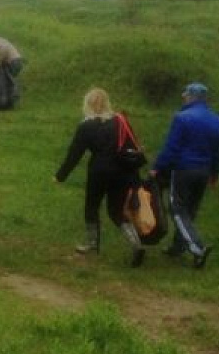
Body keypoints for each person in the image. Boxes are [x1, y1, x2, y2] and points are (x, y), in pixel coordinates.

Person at [52, 88, 147, 267]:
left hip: (99, 171)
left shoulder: (86, 126)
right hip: (122, 171)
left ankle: (92, 243)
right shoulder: (120, 121)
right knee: (116, 211)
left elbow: (75, 154)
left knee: (92, 206)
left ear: (87, 104)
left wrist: (60, 176)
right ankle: (136, 244)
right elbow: (131, 146)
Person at [152, 83, 219, 269]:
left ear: (192, 96)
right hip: (204, 170)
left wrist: (158, 167)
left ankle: (198, 247)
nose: (183, 97)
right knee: (190, 210)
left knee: (177, 208)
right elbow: (218, 152)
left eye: (185, 94)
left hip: (184, 169)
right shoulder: (218, 121)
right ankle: (178, 247)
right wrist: (215, 173)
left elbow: (172, 148)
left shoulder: (182, 118)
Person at [0, 34, 24, 102]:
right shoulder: (1, 41)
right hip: (17, 61)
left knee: (11, 80)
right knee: (9, 80)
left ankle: (14, 96)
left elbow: (4, 49)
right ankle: (9, 99)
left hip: (14, 62)